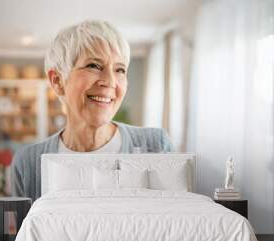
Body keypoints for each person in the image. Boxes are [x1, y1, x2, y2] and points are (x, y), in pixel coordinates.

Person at [11, 20, 173, 200]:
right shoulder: (28, 163)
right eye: (94, 66)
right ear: (57, 80)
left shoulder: (157, 146)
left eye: (120, 69)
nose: (110, 81)